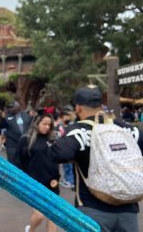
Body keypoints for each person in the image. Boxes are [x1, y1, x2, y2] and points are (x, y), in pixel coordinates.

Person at [49, 85, 143, 232]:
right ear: (101, 105)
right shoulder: (123, 128)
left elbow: (59, 154)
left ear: (78, 108)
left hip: (93, 210)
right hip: (128, 211)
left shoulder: (79, 130)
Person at [19, 113, 59, 232]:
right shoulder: (26, 139)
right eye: (44, 124)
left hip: (51, 183)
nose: (47, 127)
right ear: (37, 124)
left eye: (49, 125)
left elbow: (55, 161)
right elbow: (18, 161)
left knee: (53, 217)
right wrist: (22, 181)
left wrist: (56, 178)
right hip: (33, 184)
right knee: (39, 215)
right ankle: (30, 229)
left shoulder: (52, 140)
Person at [0, 101, 31, 166]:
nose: (10, 109)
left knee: (23, 163)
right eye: (9, 107)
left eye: (11, 107)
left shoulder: (25, 115)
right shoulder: (7, 116)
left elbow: (31, 126)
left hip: (24, 144)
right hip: (12, 145)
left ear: (18, 107)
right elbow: (1, 126)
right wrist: (2, 118)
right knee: (12, 164)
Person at [54, 110, 75, 189]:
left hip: (68, 148)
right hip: (66, 148)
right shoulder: (63, 126)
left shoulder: (67, 126)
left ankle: (70, 181)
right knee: (67, 166)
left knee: (69, 166)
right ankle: (69, 180)